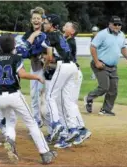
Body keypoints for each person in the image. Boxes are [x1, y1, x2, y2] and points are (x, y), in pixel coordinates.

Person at [0, 33, 57, 164]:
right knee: (31, 123)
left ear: (0, 45)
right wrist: (37, 77)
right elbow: (22, 75)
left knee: (10, 121)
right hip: (14, 95)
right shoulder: (16, 59)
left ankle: (10, 140)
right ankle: (45, 153)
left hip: (0, 98)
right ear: (13, 45)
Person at [43, 14, 80, 143]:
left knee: (50, 96)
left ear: (52, 25)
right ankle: (73, 128)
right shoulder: (58, 34)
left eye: (46, 22)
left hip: (63, 66)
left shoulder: (51, 35)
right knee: (67, 100)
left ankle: (56, 123)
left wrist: (45, 65)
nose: (44, 24)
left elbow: (48, 54)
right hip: (73, 67)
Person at [84, 16, 127, 116]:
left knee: (113, 90)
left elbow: (123, 47)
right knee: (104, 87)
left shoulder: (121, 35)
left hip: (113, 66)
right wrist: (96, 62)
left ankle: (105, 109)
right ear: (110, 24)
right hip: (100, 64)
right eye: (115, 24)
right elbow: (93, 47)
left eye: (119, 24)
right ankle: (89, 97)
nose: (117, 26)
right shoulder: (102, 34)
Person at [21, 7, 46, 128]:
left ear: (42, 20)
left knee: (42, 93)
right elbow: (23, 50)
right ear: (31, 20)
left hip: (45, 67)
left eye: (38, 18)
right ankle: (37, 119)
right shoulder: (28, 33)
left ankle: (47, 118)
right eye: (34, 18)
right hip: (34, 65)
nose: (36, 20)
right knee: (33, 94)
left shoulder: (46, 32)